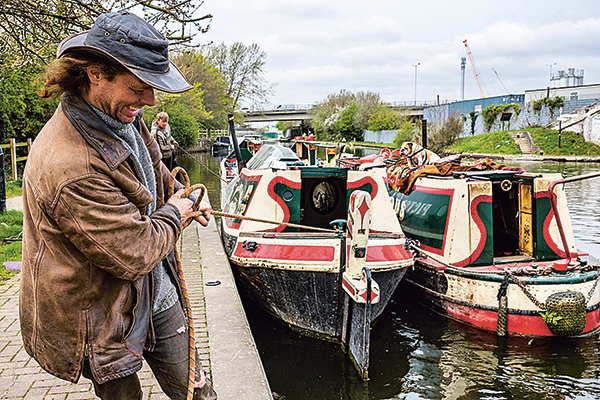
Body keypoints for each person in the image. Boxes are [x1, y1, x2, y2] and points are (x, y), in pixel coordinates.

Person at [20, 10, 217, 400]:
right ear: (96, 73)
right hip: (98, 314)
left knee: (199, 394)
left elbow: (153, 168)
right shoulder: (70, 165)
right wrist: (176, 214)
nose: (150, 99)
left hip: (155, 291)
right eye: (139, 87)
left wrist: (185, 194)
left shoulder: (122, 111)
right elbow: (136, 251)